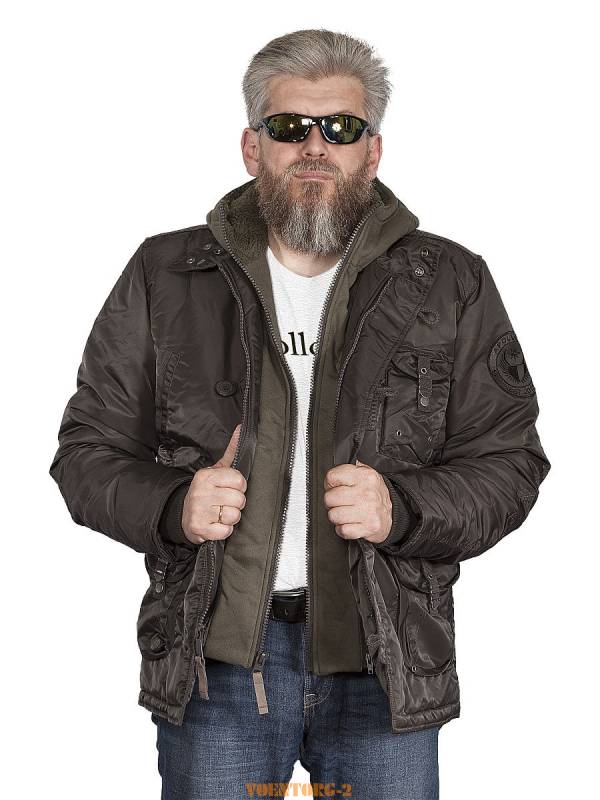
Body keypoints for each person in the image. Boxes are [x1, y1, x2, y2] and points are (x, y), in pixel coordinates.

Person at [49, 28, 551, 800]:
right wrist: (174, 504)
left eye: (341, 127)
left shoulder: (450, 281)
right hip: (219, 667)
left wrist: (404, 508)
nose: (315, 145)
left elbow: (510, 462)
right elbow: (86, 452)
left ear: (372, 151)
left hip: (385, 666)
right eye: (289, 126)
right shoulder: (166, 275)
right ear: (252, 147)